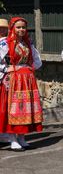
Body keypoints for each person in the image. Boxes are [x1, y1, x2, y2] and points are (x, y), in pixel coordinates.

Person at [0, 18, 43, 151]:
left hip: (26, 80)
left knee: (25, 109)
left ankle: (22, 138)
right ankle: (12, 139)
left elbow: (37, 60)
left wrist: (29, 68)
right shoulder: (5, 44)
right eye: (18, 27)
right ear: (12, 28)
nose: (21, 30)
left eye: (23, 27)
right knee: (13, 109)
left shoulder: (28, 44)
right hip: (13, 80)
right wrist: (6, 69)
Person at [0, 18, 11, 144]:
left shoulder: (7, 42)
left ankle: (3, 133)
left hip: (4, 77)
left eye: (4, 28)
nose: (2, 30)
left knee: (4, 106)